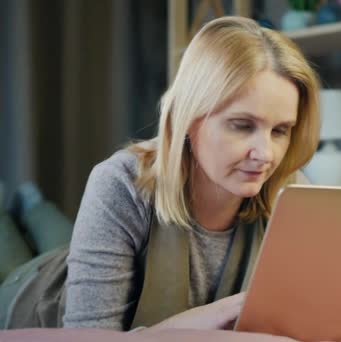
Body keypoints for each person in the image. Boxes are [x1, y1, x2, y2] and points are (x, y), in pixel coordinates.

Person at [63, 16, 320, 331]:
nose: (266, 155)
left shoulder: (291, 192)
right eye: (242, 125)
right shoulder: (120, 183)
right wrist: (213, 316)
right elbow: (87, 336)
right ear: (190, 118)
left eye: (280, 130)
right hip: (37, 294)